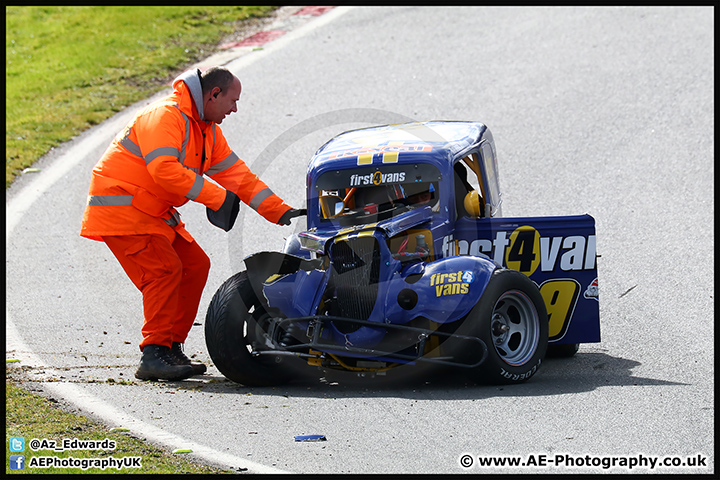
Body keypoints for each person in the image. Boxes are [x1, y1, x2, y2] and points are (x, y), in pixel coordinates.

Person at [80, 66, 305, 381]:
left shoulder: (206, 131)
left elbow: (239, 177)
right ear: (213, 94)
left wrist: (279, 210)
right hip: (124, 209)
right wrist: (217, 198)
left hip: (150, 211)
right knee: (164, 270)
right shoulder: (166, 116)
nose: (235, 109)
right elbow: (164, 169)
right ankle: (155, 352)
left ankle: (170, 347)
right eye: (232, 100)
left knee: (195, 265)